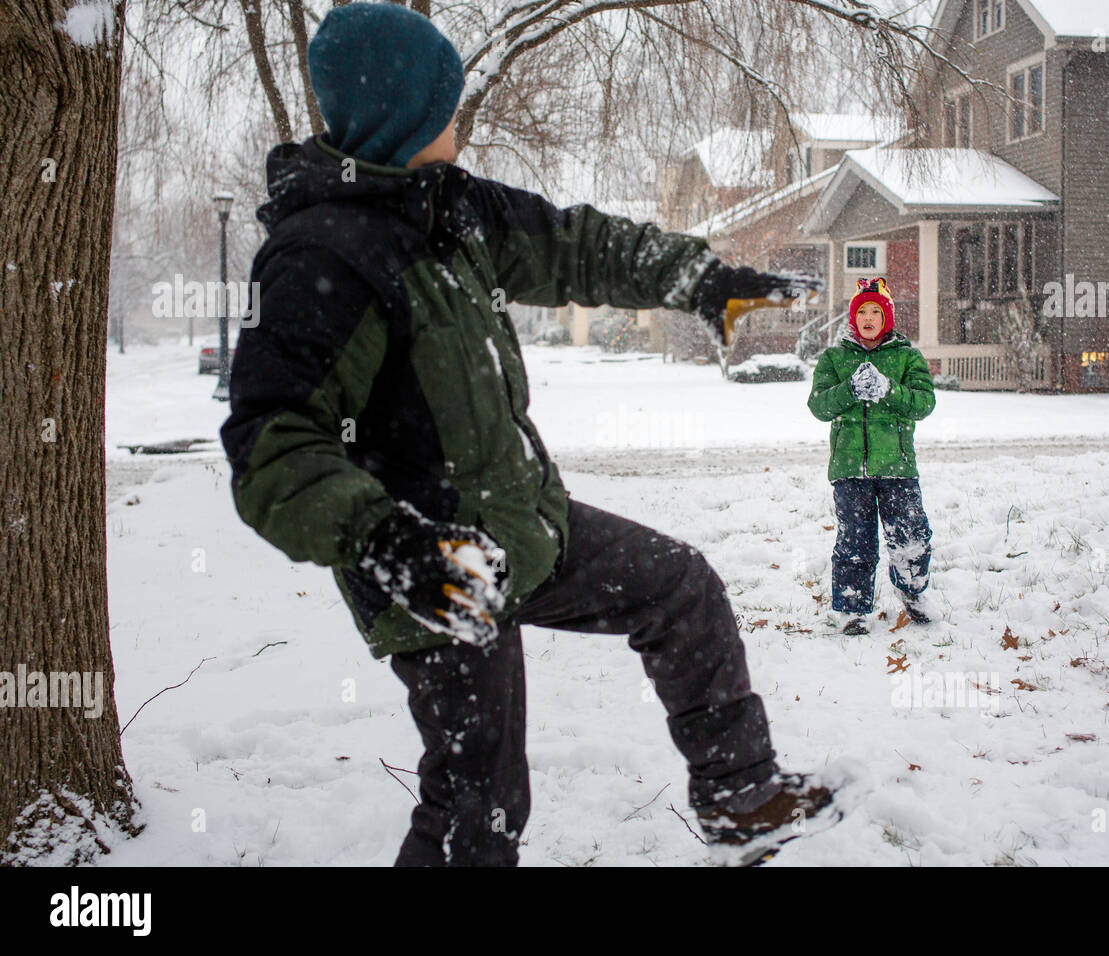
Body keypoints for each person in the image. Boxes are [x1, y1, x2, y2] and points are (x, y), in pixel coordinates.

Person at [220, 2, 833, 866]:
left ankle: (744, 798)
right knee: (481, 799)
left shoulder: (451, 208)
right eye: (446, 105)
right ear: (399, 116)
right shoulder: (322, 256)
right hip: (433, 567)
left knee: (680, 589)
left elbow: (580, 247)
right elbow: (272, 444)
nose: (459, 120)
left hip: (518, 521)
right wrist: (391, 544)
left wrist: (705, 280)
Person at [806, 277, 938, 635]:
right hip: (850, 470)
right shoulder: (835, 358)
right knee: (855, 540)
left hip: (898, 467)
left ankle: (913, 593)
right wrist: (849, 390)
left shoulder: (907, 357)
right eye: (861, 311)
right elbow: (818, 405)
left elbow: (923, 403)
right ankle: (853, 608)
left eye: (874, 312)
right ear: (853, 318)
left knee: (910, 535)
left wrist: (888, 389)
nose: (867, 317)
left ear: (887, 318)